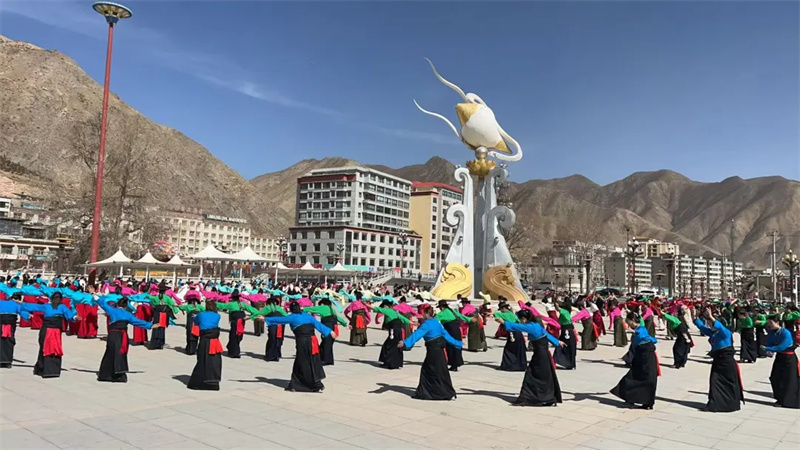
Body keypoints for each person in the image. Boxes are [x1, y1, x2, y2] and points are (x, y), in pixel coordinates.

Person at [263, 301, 337, 392]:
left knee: (302, 361)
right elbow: (318, 324)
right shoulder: (307, 316)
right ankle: (315, 383)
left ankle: (304, 384)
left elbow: (279, 320)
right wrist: (330, 331)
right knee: (312, 360)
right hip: (313, 341)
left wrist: (265, 319)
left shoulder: (292, 317)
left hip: (302, 342)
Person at [497, 309, 565, 406]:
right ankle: (546, 397)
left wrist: (503, 322)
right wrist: (558, 342)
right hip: (543, 354)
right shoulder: (536, 325)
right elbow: (547, 335)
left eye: (520, 319)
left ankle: (533, 398)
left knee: (532, 376)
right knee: (543, 376)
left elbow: (517, 327)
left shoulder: (531, 326)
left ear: (524, 319)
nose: (520, 321)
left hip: (540, 355)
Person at [398, 304, 463, 400]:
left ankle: (427, 393)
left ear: (425, 314)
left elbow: (417, 335)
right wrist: (458, 343)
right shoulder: (436, 322)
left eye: (422, 313)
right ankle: (447, 392)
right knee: (441, 371)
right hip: (439, 351)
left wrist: (405, 342)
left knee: (427, 371)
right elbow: (446, 335)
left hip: (433, 351)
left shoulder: (426, 324)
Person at [97, 296, 159, 383]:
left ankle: (106, 374)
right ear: (126, 306)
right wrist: (151, 325)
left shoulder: (112, 310)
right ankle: (119, 374)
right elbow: (138, 322)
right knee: (120, 354)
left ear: (117, 304)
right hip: (122, 336)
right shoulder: (128, 315)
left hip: (112, 335)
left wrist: (94, 294)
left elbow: (102, 303)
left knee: (110, 352)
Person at [694, 307, 744, 412]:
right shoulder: (714, 333)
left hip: (726, 362)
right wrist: (696, 318)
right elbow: (703, 328)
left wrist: (711, 317)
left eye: (711, 323)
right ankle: (715, 404)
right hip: (718, 360)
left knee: (727, 383)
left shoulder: (725, 332)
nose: (710, 325)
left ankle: (729, 404)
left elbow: (720, 327)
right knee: (715, 382)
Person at [22, 292, 79, 378]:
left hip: (53, 331)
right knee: (46, 348)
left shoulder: (59, 307)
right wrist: (20, 304)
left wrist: (74, 317)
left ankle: (48, 370)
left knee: (51, 349)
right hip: (49, 331)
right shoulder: (52, 306)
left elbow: (68, 313)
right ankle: (44, 368)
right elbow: (34, 306)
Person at [611, 312, 659, 410]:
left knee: (637, 378)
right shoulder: (642, 327)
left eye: (628, 321)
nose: (627, 323)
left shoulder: (640, 331)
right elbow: (652, 339)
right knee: (640, 377)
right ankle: (641, 402)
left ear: (632, 320)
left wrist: (634, 332)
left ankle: (643, 402)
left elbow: (645, 337)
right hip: (642, 355)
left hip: (646, 356)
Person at [762, 314, 800, 409]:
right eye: (768, 323)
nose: (769, 325)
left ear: (777, 322)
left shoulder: (785, 333)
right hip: (780, 358)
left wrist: (768, 348)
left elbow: (782, 346)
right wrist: (768, 350)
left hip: (789, 359)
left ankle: (787, 401)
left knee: (788, 380)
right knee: (775, 377)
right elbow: (770, 342)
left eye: (771, 323)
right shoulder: (772, 332)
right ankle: (779, 398)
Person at [188, 300, 224, 391]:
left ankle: (201, 381)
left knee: (202, 359)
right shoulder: (217, 316)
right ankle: (213, 381)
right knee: (214, 361)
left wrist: (197, 317)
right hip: (214, 340)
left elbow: (196, 322)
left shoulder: (201, 315)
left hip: (205, 340)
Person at [365, 300, 410, 369]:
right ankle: (394, 363)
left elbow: (376, 308)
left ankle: (390, 364)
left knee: (390, 346)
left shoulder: (387, 310)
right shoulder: (395, 311)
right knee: (395, 345)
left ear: (386, 305)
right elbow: (403, 318)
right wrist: (412, 323)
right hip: (398, 331)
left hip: (393, 330)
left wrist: (365, 304)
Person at [216, 290, 260, 359]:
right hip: (242, 322)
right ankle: (234, 350)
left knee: (233, 336)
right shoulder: (242, 304)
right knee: (239, 335)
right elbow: (256, 311)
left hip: (235, 322)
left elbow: (221, 306)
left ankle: (233, 352)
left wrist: (212, 302)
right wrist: (250, 317)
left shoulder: (231, 304)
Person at [304, 298, 348, 366]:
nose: (320, 306)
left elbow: (312, 309)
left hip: (328, 327)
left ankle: (326, 360)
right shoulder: (332, 310)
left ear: (323, 304)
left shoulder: (324, 307)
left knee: (326, 345)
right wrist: (345, 324)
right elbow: (338, 318)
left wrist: (302, 309)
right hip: (334, 328)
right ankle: (329, 360)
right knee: (327, 344)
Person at [435, 300, 468, 372]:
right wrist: (469, 319)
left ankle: (453, 364)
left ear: (441, 307)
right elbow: (461, 316)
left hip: (449, 330)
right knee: (456, 346)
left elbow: (434, 322)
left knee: (450, 347)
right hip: (456, 330)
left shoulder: (441, 314)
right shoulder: (452, 311)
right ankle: (456, 363)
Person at [0, 293, 31, 368]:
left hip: (1, 324)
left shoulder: (1, 302)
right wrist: (28, 315)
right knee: (9, 342)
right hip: (10, 326)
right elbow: (23, 313)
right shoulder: (16, 304)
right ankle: (7, 362)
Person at [255, 297, 288, 361]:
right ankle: (277, 355)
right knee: (278, 339)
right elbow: (286, 316)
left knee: (272, 339)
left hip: (273, 325)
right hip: (280, 325)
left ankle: (270, 355)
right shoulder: (279, 308)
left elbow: (258, 314)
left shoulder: (267, 308)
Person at [147, 283, 178, 350]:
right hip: (163, 314)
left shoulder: (155, 298)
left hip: (157, 314)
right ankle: (160, 343)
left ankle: (154, 343)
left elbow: (152, 302)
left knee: (155, 327)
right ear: (165, 291)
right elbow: (172, 305)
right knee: (162, 328)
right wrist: (176, 311)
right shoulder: (167, 298)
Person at [553, 299, 580, 370]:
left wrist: (556, 303)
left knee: (565, 346)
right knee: (565, 346)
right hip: (566, 331)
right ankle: (567, 362)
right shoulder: (567, 312)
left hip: (567, 332)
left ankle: (568, 363)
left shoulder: (565, 312)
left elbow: (558, 309)